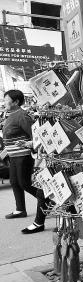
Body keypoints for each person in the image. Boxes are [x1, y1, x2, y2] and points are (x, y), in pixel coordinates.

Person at [2, 89, 48, 234]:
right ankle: (20, 209)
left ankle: (47, 202)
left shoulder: (22, 115)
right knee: (14, 182)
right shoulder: (10, 114)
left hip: (23, 155)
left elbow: (35, 136)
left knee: (24, 183)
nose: (4, 102)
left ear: (16, 102)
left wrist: (30, 145)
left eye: (6, 99)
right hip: (13, 155)